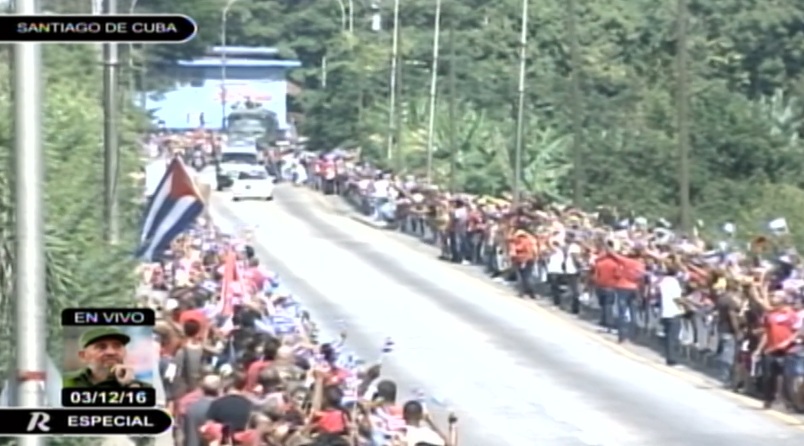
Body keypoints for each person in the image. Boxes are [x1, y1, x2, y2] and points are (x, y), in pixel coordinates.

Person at [62, 327, 153, 389]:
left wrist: (131, 385)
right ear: (83, 356)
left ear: (125, 352)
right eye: (101, 347)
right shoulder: (64, 383)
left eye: (117, 346)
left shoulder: (143, 387)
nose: (111, 352)